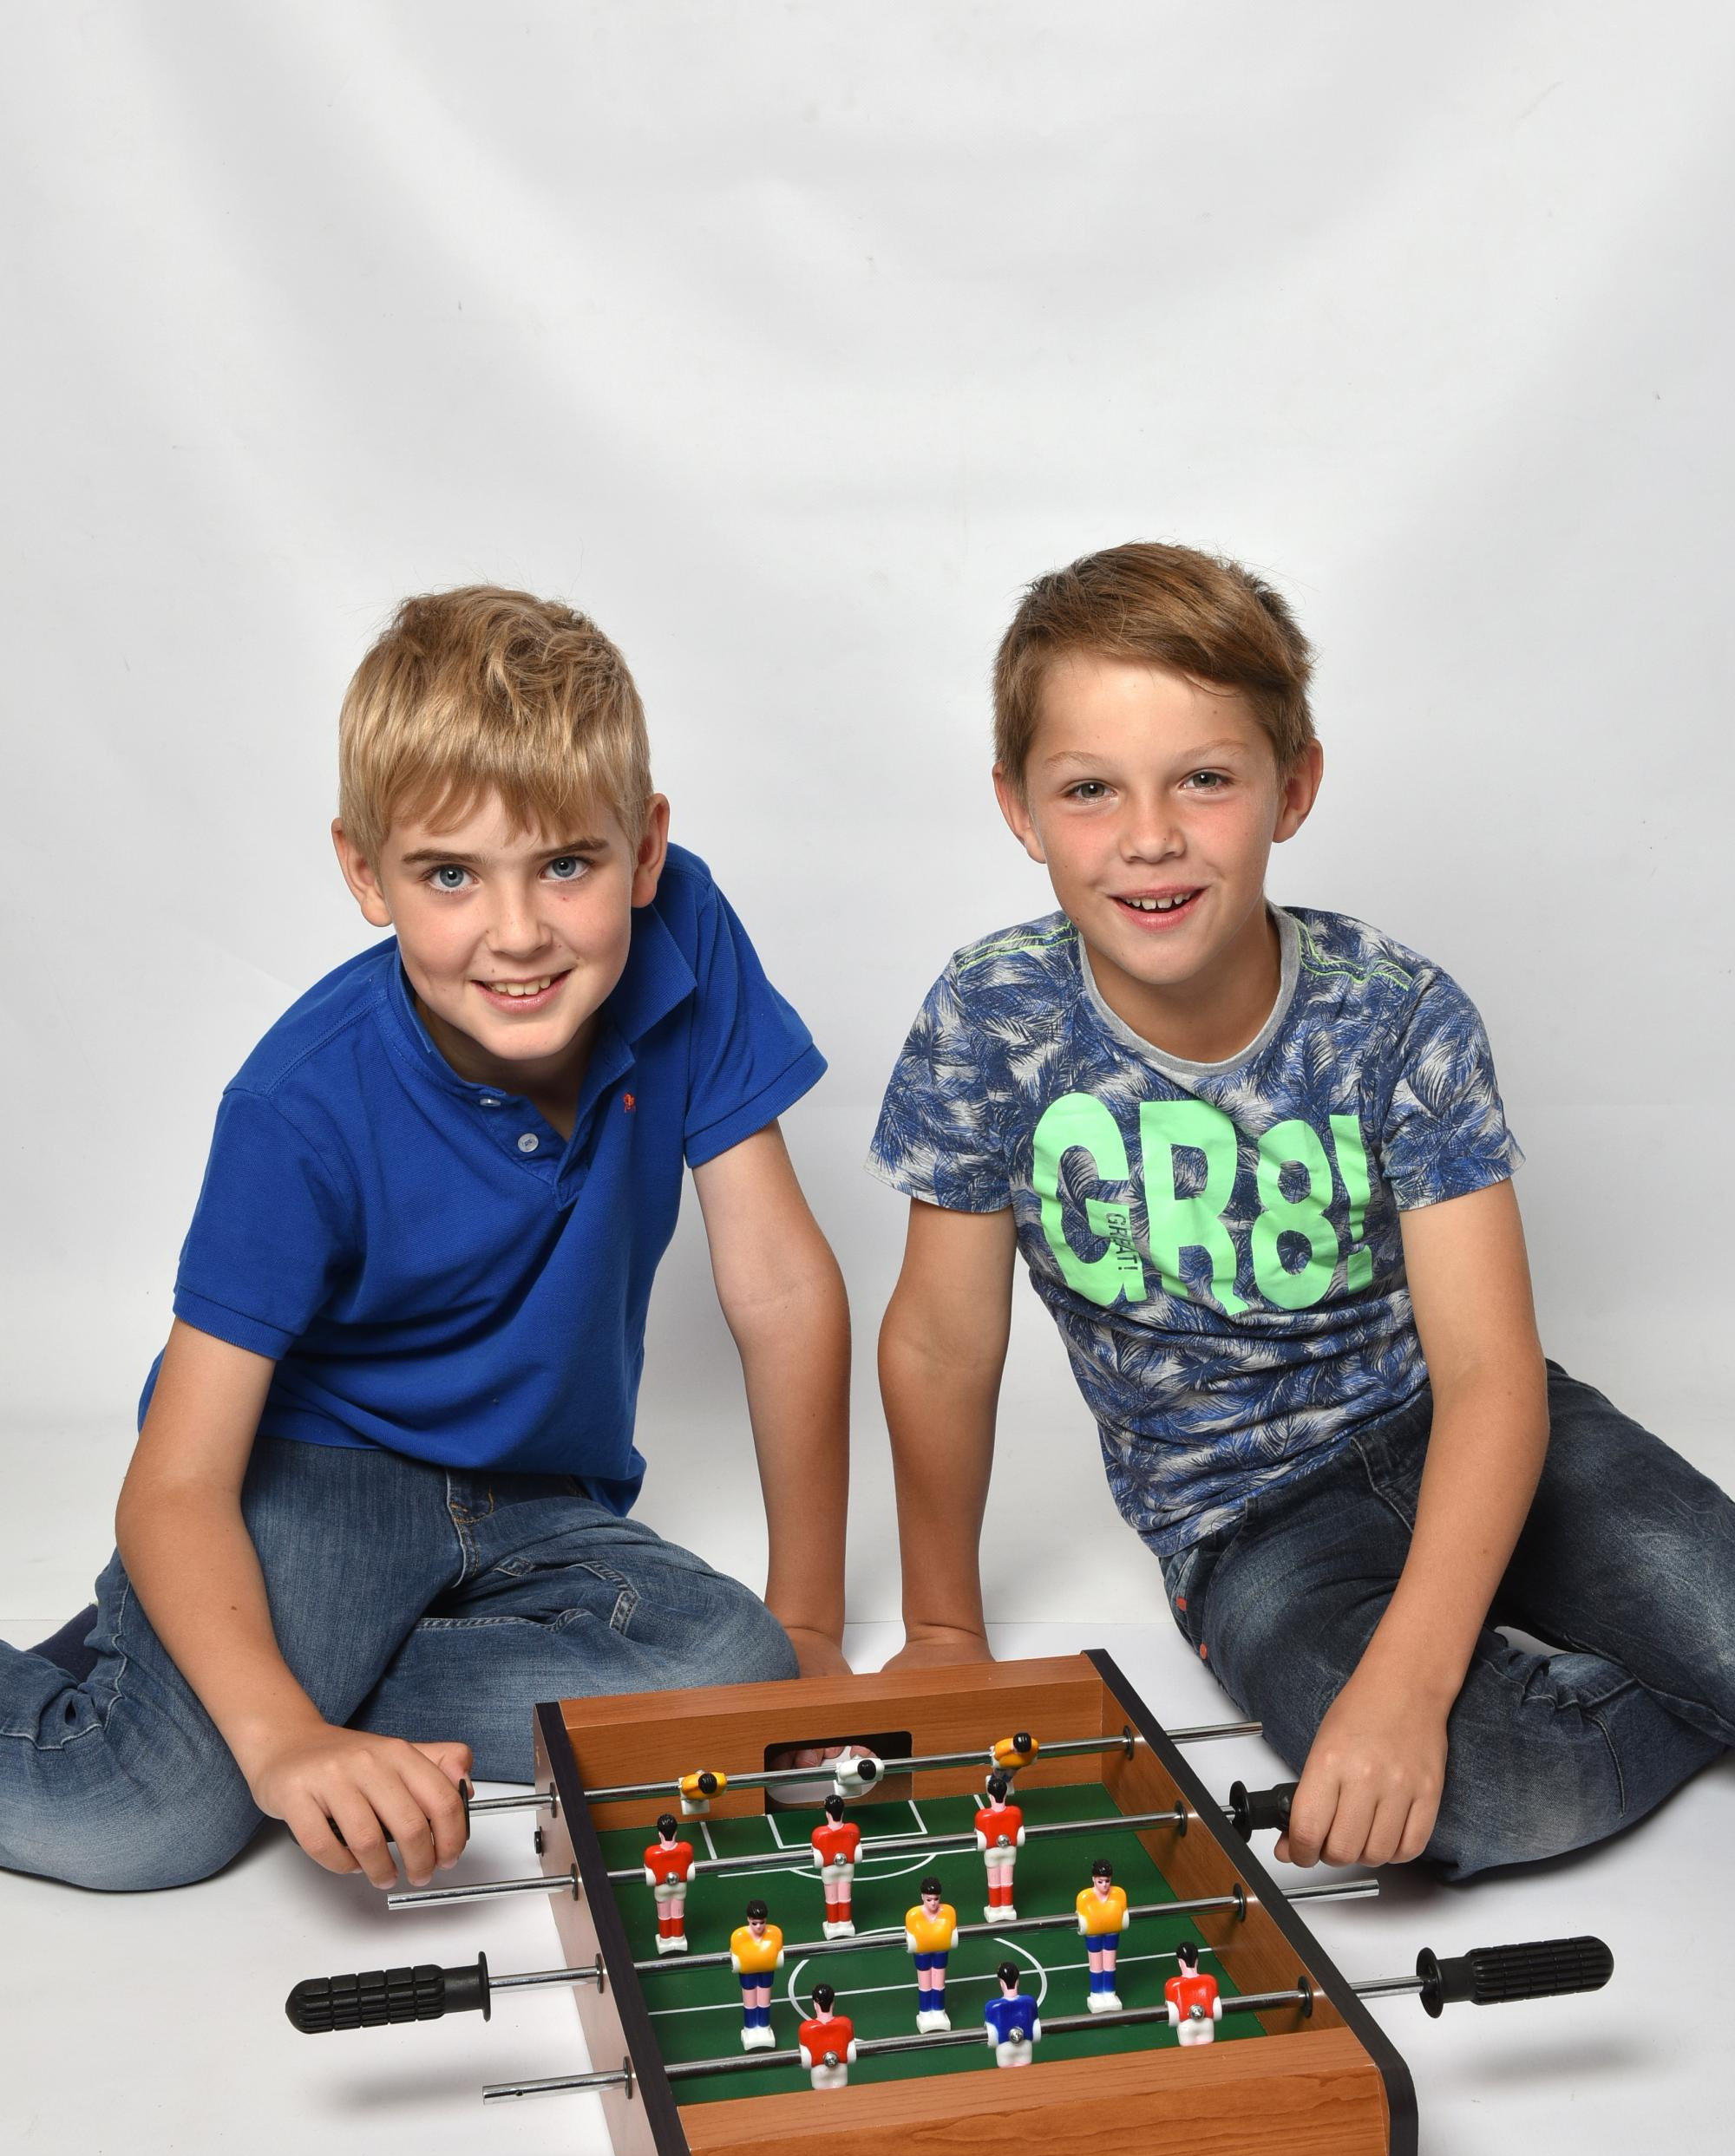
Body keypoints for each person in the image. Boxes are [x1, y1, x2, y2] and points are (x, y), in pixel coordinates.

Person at [872, 539, 1735, 1880]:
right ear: (1020, 809)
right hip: (1250, 1529)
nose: (1150, 836)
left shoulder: (1398, 1013)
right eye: (1091, 789)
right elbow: (938, 1341)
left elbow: (1490, 1371)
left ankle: (1602, 1659)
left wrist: (1411, 1680)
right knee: (1488, 1798)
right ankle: (1613, 1698)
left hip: (1472, 1431)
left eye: (1204, 779)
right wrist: (941, 1630)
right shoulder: (991, 1019)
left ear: (1294, 786)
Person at [3, 586, 850, 1896]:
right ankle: (213, 1676)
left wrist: (806, 1626)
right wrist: (278, 1738)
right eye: (450, 875)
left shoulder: (685, 934)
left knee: (731, 1672)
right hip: (317, 1476)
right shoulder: (298, 1104)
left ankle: (222, 1655)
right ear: (365, 874)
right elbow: (173, 1483)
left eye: (565, 865)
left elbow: (782, 1287)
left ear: (643, 851)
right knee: (144, 1822)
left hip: (539, 1493)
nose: (517, 933)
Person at [904, 1876, 959, 2031]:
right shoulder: (913, 1915)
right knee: (925, 1984)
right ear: (922, 1897)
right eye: (929, 1899)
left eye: (936, 1899)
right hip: (922, 1954)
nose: (933, 1903)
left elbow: (953, 1932)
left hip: (941, 1952)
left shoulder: (948, 1912)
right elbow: (909, 1936)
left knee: (939, 1984)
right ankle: (925, 2011)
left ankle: (939, 2010)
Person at [730, 1899, 785, 2048]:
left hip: (767, 1972)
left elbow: (779, 1953)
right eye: (754, 1923)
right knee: (750, 2002)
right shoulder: (738, 1936)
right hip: (747, 1974)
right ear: (748, 1919)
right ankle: (750, 2028)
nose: (759, 1927)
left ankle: (764, 2026)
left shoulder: (775, 1933)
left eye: (762, 1922)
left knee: (764, 2001)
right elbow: (735, 1956)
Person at [1076, 1859, 1129, 2010]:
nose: (1104, 1885)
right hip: (1093, 1935)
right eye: (1100, 1881)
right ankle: (1097, 1993)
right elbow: (1081, 1918)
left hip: (1112, 1933)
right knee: (1096, 1965)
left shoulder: (1119, 1894)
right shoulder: (1084, 1897)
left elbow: (1124, 1914)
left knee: (1110, 1965)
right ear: (1093, 1879)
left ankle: (1110, 1992)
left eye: (1107, 1881)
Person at [972, 1770, 1024, 1920]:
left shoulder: (982, 1816)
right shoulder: (1015, 1812)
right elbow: (1020, 1836)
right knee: (1007, 1881)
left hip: (992, 1853)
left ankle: (995, 1910)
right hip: (1010, 1851)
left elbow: (979, 1840)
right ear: (1005, 1795)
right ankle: (1008, 1908)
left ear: (990, 1796)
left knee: (994, 1883)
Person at [810, 1793, 862, 1937]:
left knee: (832, 1899)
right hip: (847, 1868)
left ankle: (833, 1924)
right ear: (842, 1812)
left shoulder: (819, 1834)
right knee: (845, 1898)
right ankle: (846, 1923)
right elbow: (857, 1854)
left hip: (829, 1870)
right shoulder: (853, 1830)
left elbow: (817, 1859)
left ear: (827, 1814)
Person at [644, 1812, 696, 1952]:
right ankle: (678, 1938)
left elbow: (649, 1874)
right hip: (680, 1887)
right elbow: (690, 1868)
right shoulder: (686, 1849)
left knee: (664, 1915)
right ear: (676, 1832)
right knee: (678, 1913)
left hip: (662, 1889)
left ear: (660, 1834)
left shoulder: (651, 1853)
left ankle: (665, 1939)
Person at [796, 1982, 858, 2089]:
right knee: (842, 2092)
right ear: (833, 2003)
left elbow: (806, 2061)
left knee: (821, 2095)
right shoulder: (845, 2023)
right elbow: (851, 2054)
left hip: (818, 2071)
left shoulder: (806, 2028)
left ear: (815, 2004)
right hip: (841, 2069)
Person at [982, 1957, 1041, 2068]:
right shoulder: (1029, 2002)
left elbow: (990, 2035)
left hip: (1004, 2048)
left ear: (1001, 1983)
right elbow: (1035, 2027)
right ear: (1017, 1982)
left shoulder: (992, 2006)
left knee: (1006, 2072)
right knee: (1025, 2070)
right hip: (1025, 2046)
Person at [1163, 1942, 1222, 2046]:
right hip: (1207, 2024)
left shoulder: (1172, 1984)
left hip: (1186, 2025)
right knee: (1208, 2048)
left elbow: (1172, 2013)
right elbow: (1216, 2009)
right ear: (1197, 1961)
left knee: (1189, 2051)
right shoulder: (1210, 1981)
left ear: (1180, 1962)